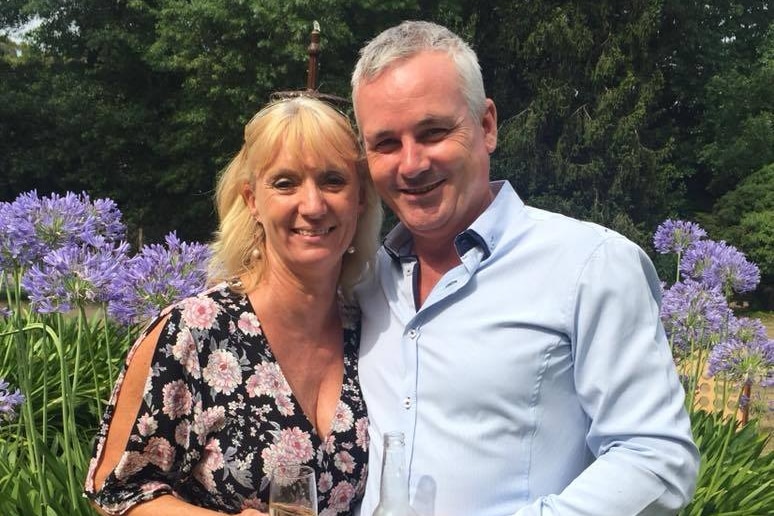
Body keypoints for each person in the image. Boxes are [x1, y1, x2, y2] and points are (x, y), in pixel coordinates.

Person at [351, 20, 700, 516]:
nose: (410, 164)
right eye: (385, 143)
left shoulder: (590, 266)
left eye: (433, 132)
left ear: (486, 125)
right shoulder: (365, 280)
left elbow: (657, 458)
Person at [84, 96, 382, 515]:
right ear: (252, 200)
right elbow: (118, 490)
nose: (313, 206)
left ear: (360, 199)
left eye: (333, 181)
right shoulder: (192, 334)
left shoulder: (372, 329)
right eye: (285, 183)